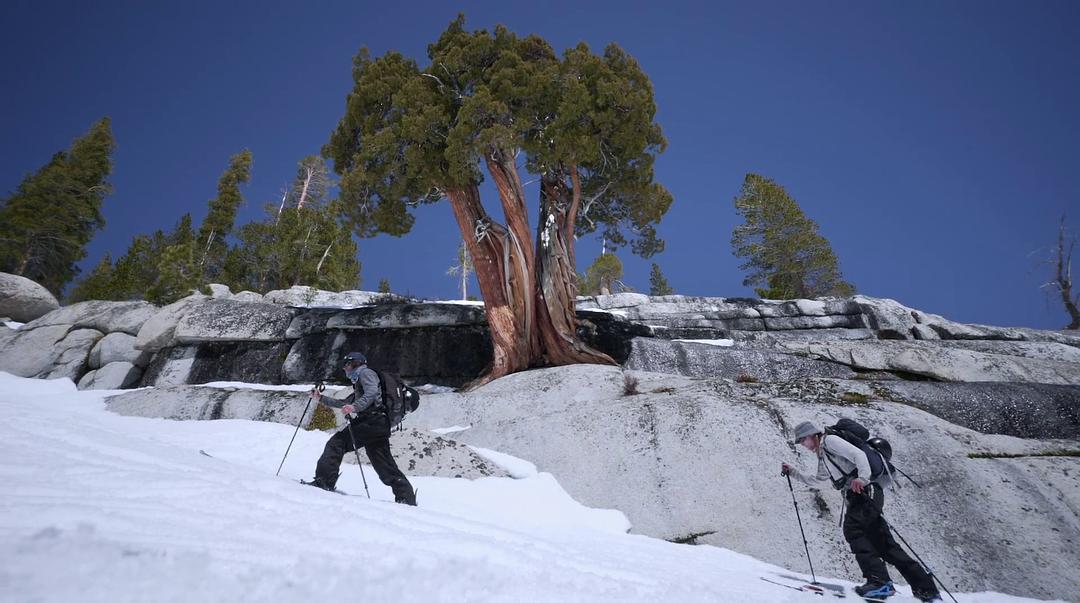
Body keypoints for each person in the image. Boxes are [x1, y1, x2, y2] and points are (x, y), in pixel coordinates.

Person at [781, 421, 940, 602]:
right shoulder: (823, 454)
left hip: (865, 490)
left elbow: (858, 455)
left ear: (812, 435)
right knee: (885, 545)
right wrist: (793, 472)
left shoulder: (830, 441)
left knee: (853, 529)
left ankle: (879, 582)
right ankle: (926, 589)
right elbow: (818, 480)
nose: (803, 445)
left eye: (803, 440)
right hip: (861, 493)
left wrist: (863, 478)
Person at [306, 351, 416, 506]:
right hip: (379, 424)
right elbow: (344, 403)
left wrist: (354, 407)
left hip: (371, 422)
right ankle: (406, 498)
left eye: (346, 365)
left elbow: (370, 394)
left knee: (337, 443)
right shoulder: (360, 382)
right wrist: (320, 398)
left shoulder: (365, 373)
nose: (344, 369)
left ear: (354, 363)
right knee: (384, 464)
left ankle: (323, 482)